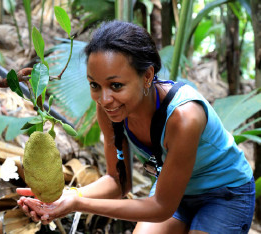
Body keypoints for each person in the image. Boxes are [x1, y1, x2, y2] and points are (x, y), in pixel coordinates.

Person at [17, 20, 255, 234]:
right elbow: (118, 182)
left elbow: (161, 207)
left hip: (225, 195)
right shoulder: (109, 110)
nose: (104, 98)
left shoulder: (184, 117)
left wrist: (78, 204)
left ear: (147, 76)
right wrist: (67, 197)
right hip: (174, 194)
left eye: (116, 85)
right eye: (95, 85)